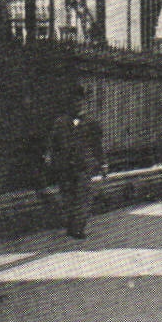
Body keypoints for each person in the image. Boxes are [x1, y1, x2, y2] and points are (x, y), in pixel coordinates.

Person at [45, 93, 106, 239]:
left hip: (83, 166)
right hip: (65, 167)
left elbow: (97, 146)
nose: (77, 106)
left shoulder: (92, 123)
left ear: (84, 105)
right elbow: (52, 143)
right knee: (67, 196)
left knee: (83, 197)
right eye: (73, 103)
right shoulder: (60, 123)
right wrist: (49, 158)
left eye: (79, 103)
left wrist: (103, 163)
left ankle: (78, 228)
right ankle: (71, 225)